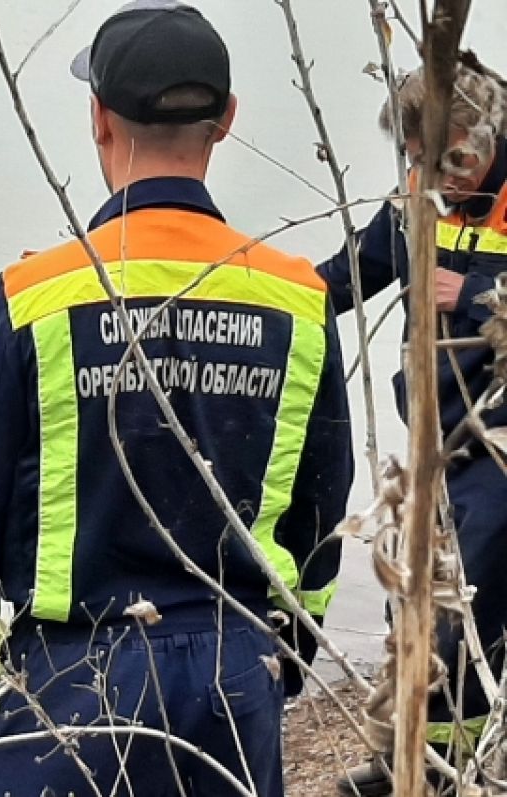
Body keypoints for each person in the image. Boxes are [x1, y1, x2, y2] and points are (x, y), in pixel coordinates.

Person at [0, 3, 353, 795]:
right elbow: (321, 514)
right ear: (226, 122)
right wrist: (283, 659)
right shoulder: (297, 299)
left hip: (71, 678)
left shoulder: (34, 297)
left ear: (98, 120)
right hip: (234, 675)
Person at [323, 60, 507, 796]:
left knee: (470, 604)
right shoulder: (416, 195)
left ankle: (443, 767)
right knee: (415, 595)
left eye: (448, 154)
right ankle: (409, 757)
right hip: (434, 442)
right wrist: (255, 292)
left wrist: (476, 293)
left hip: (501, 445)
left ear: (487, 136)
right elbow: (344, 275)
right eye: (415, 156)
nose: (430, 172)